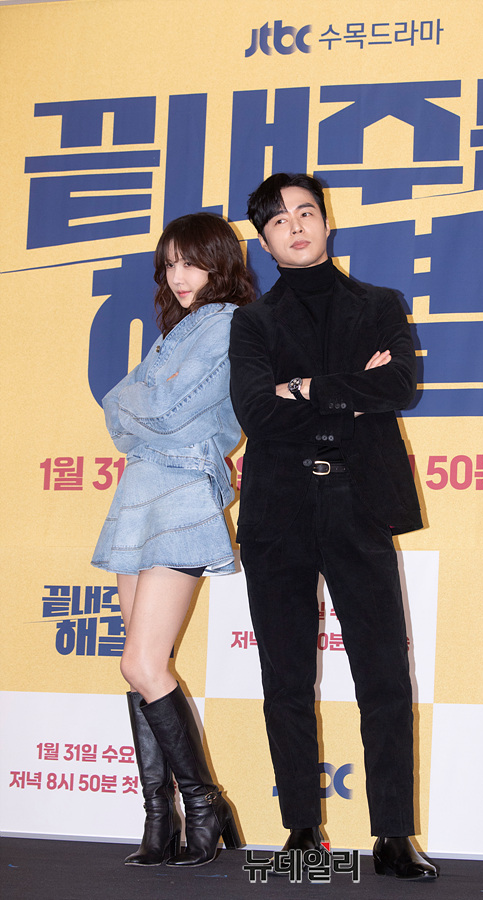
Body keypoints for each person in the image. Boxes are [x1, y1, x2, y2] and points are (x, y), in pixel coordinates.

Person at [228, 173, 437, 881]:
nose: (295, 226)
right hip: (278, 508)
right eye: (278, 220)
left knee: (384, 673)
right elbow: (257, 413)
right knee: (285, 675)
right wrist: (352, 389)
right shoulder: (253, 322)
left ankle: (394, 835)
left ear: (327, 221)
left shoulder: (379, 304)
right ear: (264, 242)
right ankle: (301, 828)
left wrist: (306, 387)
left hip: (359, 499)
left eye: (306, 212)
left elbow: (399, 386)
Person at [92, 212, 254, 867]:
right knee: (138, 665)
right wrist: (138, 407)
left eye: (191, 261)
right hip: (140, 493)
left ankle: (205, 804)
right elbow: (116, 414)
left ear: (221, 263)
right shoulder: (177, 331)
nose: (179, 275)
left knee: (142, 664)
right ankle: (160, 819)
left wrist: (139, 405)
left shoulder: (228, 324)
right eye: (170, 264)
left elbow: (156, 410)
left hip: (182, 494)